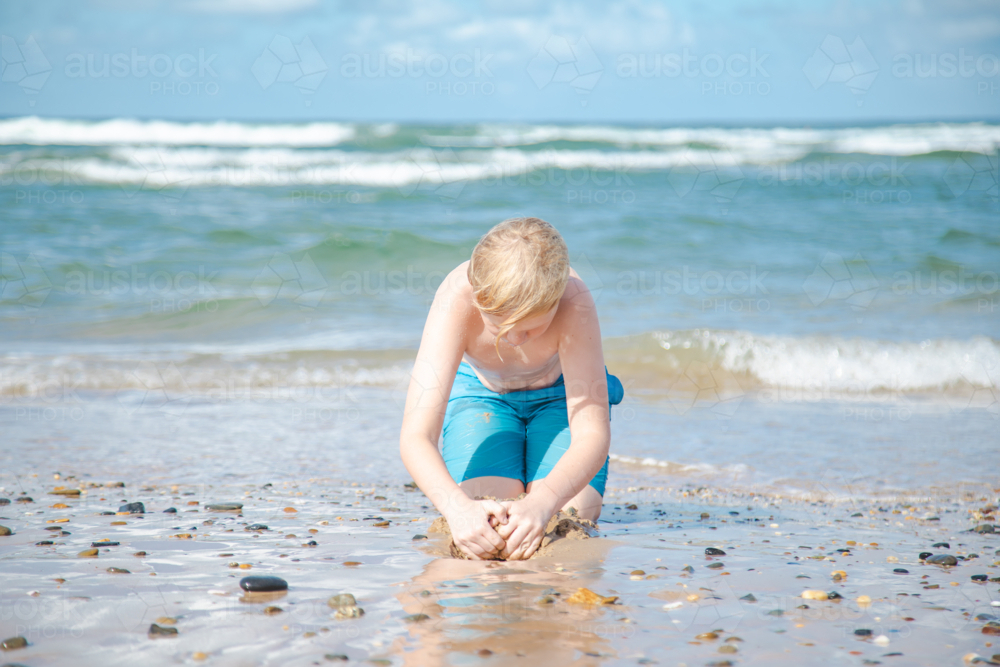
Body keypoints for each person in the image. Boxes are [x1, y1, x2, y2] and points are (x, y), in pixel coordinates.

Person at [399, 217, 624, 560]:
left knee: (569, 519)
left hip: (561, 395)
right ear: (477, 294)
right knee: (493, 525)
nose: (514, 341)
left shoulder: (573, 299)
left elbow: (591, 434)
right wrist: (457, 509)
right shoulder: (456, 298)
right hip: (483, 393)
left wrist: (543, 502)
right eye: (499, 326)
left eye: (531, 328)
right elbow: (416, 436)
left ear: (556, 297)